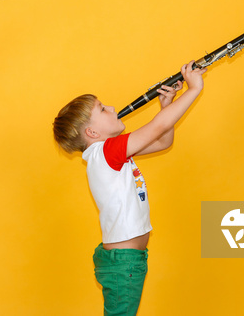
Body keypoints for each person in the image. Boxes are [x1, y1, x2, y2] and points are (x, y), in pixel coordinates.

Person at [53, 61, 206, 315]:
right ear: (92, 132)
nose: (112, 108)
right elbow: (157, 127)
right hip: (124, 263)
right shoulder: (106, 151)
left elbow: (162, 141)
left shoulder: (106, 154)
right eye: (103, 109)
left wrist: (166, 105)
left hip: (127, 261)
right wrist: (193, 90)